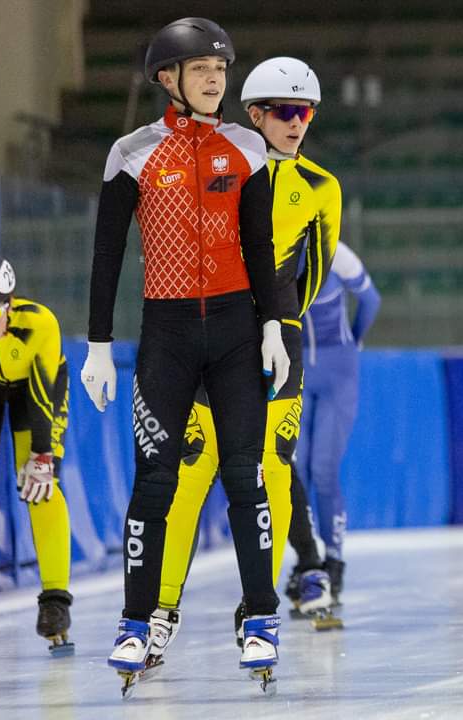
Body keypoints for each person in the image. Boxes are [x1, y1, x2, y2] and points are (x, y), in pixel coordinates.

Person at [80, 18, 288, 692]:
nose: (214, 79)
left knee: (243, 477)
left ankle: (260, 617)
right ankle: (135, 622)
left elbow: (262, 246)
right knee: (155, 484)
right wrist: (98, 345)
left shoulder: (247, 148)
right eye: (200, 68)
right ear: (167, 78)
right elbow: (107, 253)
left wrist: (276, 326)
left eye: (221, 69)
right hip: (165, 336)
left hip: (234, 331)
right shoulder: (131, 153)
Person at [149, 55, 341, 662]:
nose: (296, 122)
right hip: (214, 337)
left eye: (305, 112)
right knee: (194, 467)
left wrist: (278, 326)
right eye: (284, 111)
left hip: (278, 343)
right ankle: (161, 604)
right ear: (254, 113)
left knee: (275, 467)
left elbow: (314, 272)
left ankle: (256, 604)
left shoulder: (322, 187)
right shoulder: (219, 166)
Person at [0, 251, 74, 656]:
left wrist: (43, 455)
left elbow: (43, 392)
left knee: (40, 486)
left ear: (8, 306)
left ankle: (55, 601)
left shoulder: (40, 322)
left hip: (35, 394)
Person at [283, 240, 380, 629]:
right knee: (295, 474)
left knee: (323, 470)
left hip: (337, 373)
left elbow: (371, 300)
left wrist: (353, 343)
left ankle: (334, 560)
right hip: (297, 371)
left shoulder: (335, 253)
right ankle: (309, 563)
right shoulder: (270, 247)